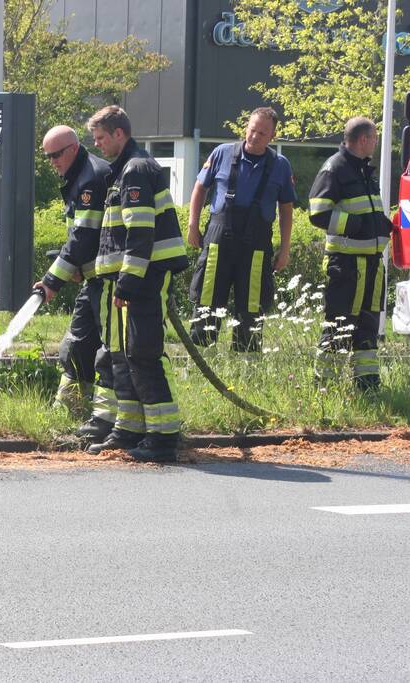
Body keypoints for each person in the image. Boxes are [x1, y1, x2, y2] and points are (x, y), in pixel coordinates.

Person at [81, 105, 189, 462]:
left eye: (101, 138)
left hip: (143, 280)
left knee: (143, 354)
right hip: (126, 281)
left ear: (119, 134)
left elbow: (141, 232)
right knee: (121, 356)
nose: (97, 146)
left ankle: (163, 438)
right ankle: (127, 429)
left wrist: (127, 282)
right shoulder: (122, 170)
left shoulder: (136, 169)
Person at [187, 107, 296, 352]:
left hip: (256, 245)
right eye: (252, 129)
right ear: (246, 127)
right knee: (206, 301)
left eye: (262, 133)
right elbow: (199, 189)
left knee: (252, 307)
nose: (255, 136)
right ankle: (202, 360)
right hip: (218, 241)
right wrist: (193, 225)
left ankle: (247, 366)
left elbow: (286, 208)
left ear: (272, 136)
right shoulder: (221, 153)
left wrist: (285, 248)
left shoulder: (280, 165)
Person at [33, 126, 115, 435]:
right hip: (91, 280)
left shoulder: (92, 178)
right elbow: (80, 236)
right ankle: (69, 411)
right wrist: (76, 267)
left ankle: (108, 420)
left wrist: (51, 282)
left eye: (56, 155)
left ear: (73, 148)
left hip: (109, 282)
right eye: (48, 157)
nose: (52, 161)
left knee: (110, 350)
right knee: (78, 345)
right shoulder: (77, 176)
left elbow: (83, 236)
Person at [308, 116, 389, 391]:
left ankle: (367, 385)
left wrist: (385, 225)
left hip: (372, 265)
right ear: (364, 140)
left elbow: (367, 212)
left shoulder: (364, 170)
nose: (376, 143)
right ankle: (324, 389)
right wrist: (358, 226)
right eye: (375, 139)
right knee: (338, 325)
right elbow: (318, 213)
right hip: (346, 266)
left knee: (367, 326)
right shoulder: (335, 168)